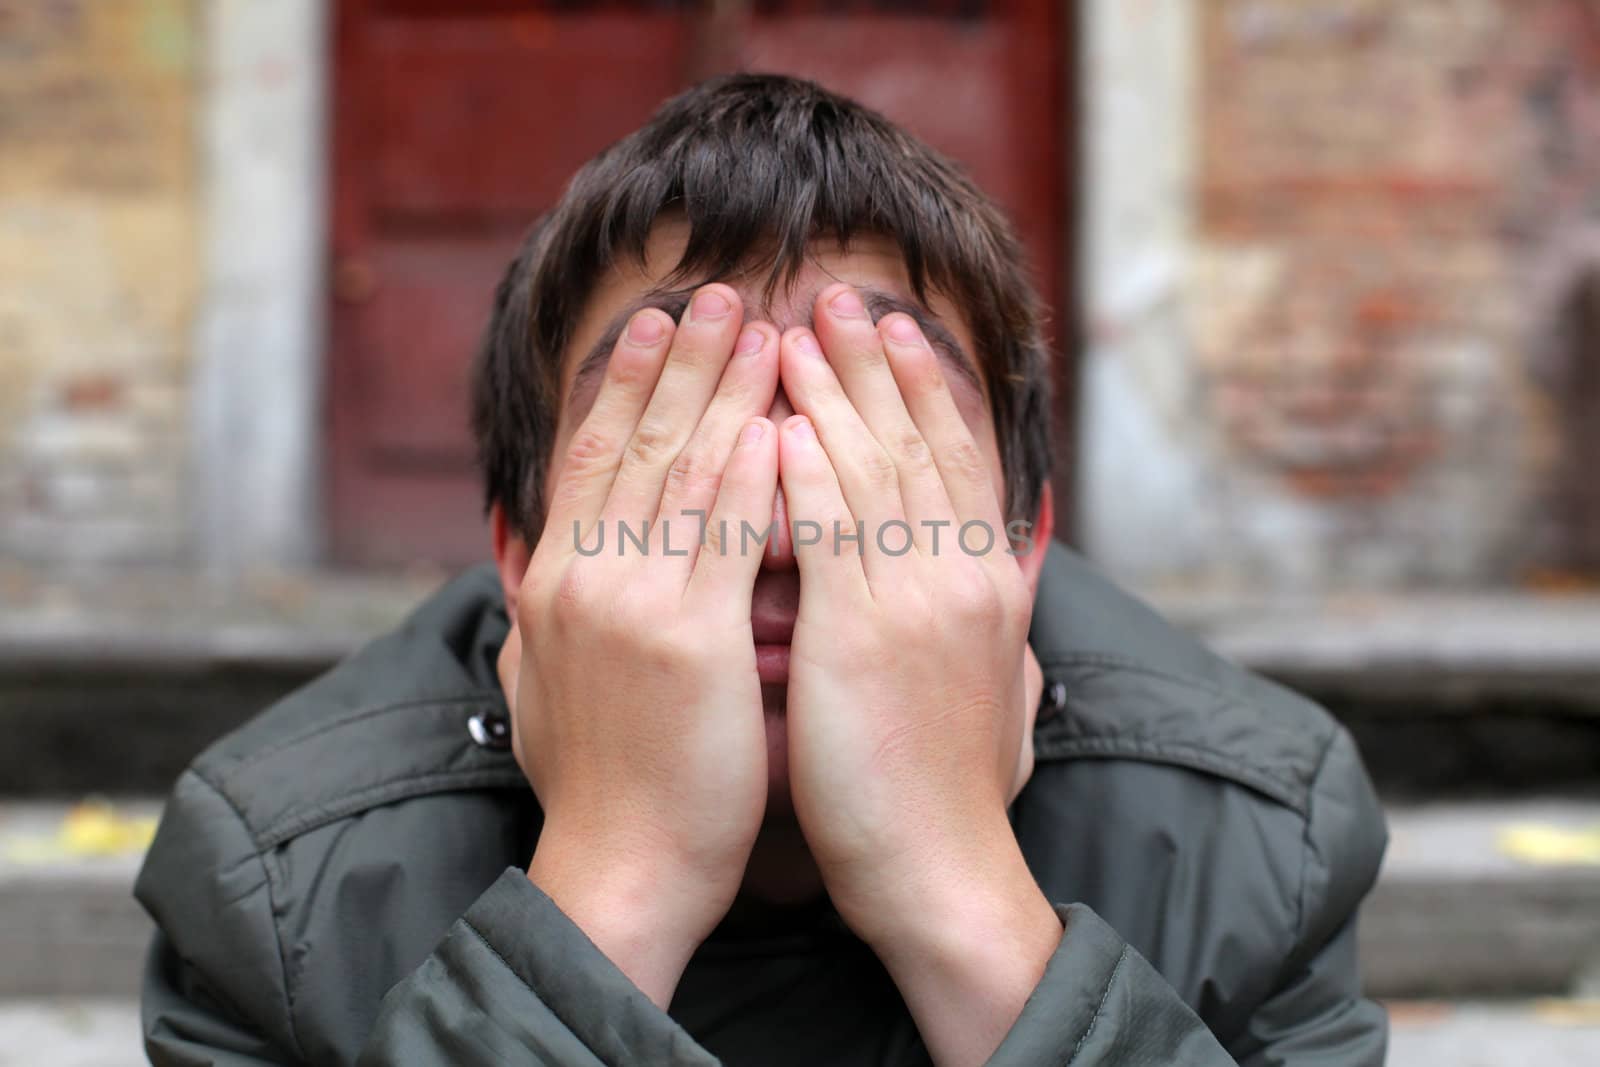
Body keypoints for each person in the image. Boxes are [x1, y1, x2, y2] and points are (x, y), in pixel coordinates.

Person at [136, 74, 1388, 1066]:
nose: (781, 530)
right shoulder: (283, 893)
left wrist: (955, 888)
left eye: (873, 439)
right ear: (519, 553)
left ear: (1023, 543)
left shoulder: (1251, 845)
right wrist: (619, 877)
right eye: (676, 442)